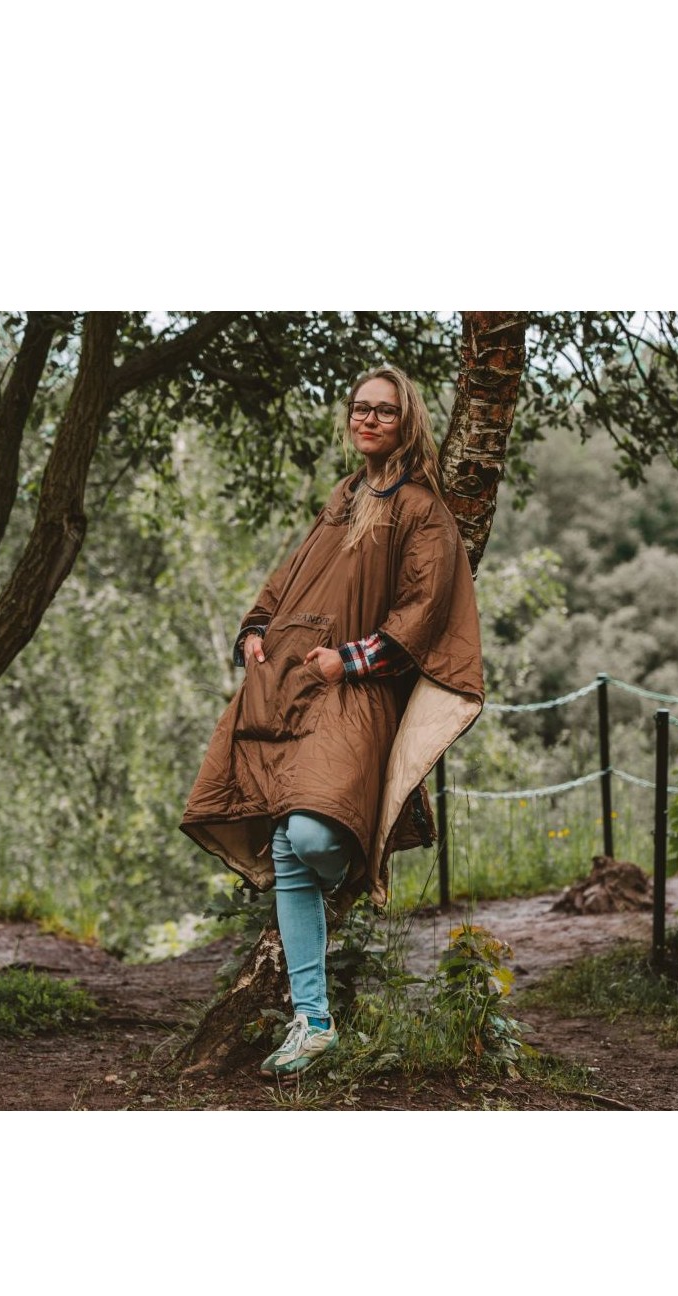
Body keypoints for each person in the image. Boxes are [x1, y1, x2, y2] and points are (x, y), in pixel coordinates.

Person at [181, 365, 484, 1077]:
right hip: (294, 688)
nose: (368, 419)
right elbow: (292, 576)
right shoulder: (344, 496)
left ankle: (354, 861)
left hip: (358, 694)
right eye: (359, 408)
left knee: (314, 838)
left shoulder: (420, 509)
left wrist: (350, 660)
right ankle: (314, 1022)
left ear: (406, 422)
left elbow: (423, 608)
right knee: (291, 843)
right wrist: (255, 627)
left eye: (384, 411)